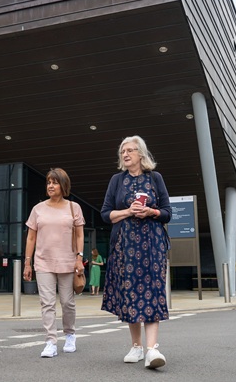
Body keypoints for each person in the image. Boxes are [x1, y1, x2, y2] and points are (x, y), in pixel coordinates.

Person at [101, 136, 172, 370]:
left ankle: (152, 350)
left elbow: (167, 212)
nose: (125, 154)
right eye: (122, 151)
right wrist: (128, 211)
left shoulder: (155, 178)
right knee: (130, 293)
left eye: (130, 150)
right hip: (125, 247)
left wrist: (150, 211)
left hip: (152, 245)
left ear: (141, 154)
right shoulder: (117, 180)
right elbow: (106, 214)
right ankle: (136, 346)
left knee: (152, 291)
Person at [23, 167, 85, 358]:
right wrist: (27, 262)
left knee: (67, 302)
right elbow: (31, 238)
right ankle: (50, 341)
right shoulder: (38, 209)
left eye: (55, 182)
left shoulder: (73, 207)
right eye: (49, 182)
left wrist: (79, 258)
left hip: (67, 262)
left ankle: (70, 335)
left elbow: (80, 234)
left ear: (63, 185)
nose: (50, 185)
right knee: (47, 303)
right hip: (43, 262)